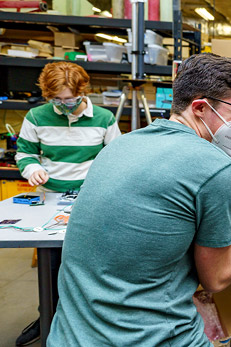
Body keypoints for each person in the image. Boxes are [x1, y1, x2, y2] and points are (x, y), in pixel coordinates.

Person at [47, 53, 231, 346]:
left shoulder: (122, 145)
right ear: (199, 107)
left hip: (69, 335)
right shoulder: (217, 169)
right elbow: (217, 278)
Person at [14, 61, 121, 346]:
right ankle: (47, 316)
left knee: (90, 264)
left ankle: (89, 321)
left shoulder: (104, 119)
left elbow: (117, 158)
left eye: (69, 99)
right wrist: (31, 169)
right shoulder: (36, 117)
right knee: (52, 264)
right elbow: (24, 153)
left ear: (82, 90)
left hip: (91, 199)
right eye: (56, 100)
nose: (63, 105)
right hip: (51, 198)